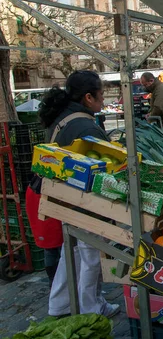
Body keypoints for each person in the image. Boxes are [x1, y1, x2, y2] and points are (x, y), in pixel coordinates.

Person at [29, 71, 120, 317]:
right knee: (90, 254)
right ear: (88, 97)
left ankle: (60, 305)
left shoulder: (64, 116)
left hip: (64, 195)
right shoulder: (83, 125)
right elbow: (104, 164)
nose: (103, 101)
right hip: (83, 199)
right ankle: (92, 308)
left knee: (72, 252)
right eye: (101, 96)